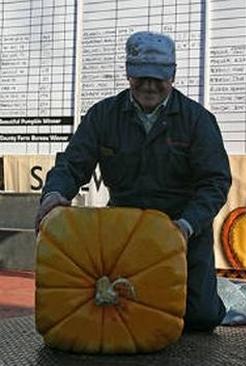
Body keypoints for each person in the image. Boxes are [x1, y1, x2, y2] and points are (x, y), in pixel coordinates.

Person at [35, 31, 235, 332]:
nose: (150, 85)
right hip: (122, 234)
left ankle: (225, 294)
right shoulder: (103, 115)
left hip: (181, 232)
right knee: (116, 309)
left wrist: (186, 226)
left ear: (173, 75)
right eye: (141, 76)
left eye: (159, 77)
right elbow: (72, 164)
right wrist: (53, 194)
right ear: (128, 73)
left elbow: (216, 182)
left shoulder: (197, 120)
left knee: (200, 318)